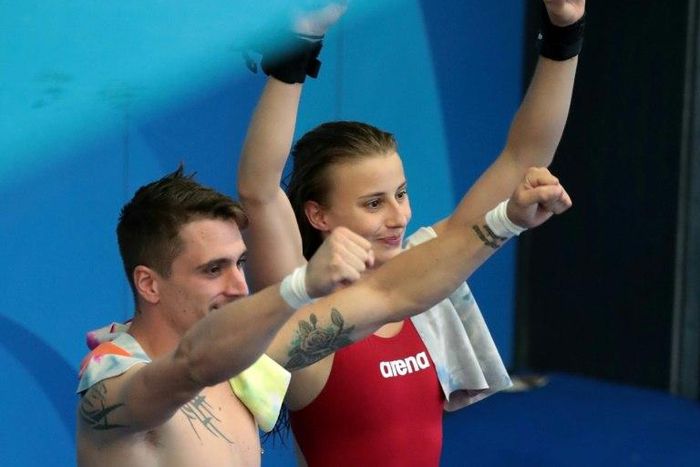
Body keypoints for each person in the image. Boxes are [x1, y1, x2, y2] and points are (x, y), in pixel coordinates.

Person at [236, 1, 585, 465]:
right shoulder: (302, 305)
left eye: (401, 194)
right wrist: (299, 45)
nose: (398, 217)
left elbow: (523, 159)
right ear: (317, 215)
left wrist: (565, 33)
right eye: (373, 203)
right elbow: (258, 190)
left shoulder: (427, 273)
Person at [75, 163, 570, 466]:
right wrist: (297, 289)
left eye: (239, 263)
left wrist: (505, 221)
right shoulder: (109, 378)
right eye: (212, 270)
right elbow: (190, 367)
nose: (238, 285)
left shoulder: (247, 357)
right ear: (148, 283)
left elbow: (393, 293)